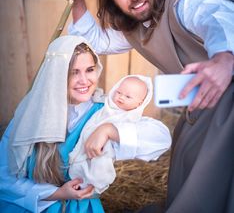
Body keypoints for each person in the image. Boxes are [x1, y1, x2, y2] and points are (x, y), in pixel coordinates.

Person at [64, 0, 234, 213]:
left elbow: (217, 18)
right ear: (113, 1)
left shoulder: (185, 0)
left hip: (228, 92)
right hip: (204, 100)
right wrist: (78, 2)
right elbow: (98, 41)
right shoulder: (135, 27)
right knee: (186, 153)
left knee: (209, 173)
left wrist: (224, 59)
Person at [0, 35, 171, 213]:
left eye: (89, 69)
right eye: (74, 72)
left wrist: (109, 130)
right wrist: (57, 193)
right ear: (56, 74)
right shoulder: (29, 116)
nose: (84, 80)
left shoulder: (105, 113)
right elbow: (4, 177)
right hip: (28, 205)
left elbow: (161, 139)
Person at [69, 75, 155, 194]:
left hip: (104, 150)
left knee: (99, 165)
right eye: (119, 92)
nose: (121, 97)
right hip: (88, 139)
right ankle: (77, 179)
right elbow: (100, 101)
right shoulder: (108, 105)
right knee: (80, 161)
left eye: (128, 96)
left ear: (139, 104)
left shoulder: (131, 118)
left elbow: (127, 133)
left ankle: (90, 184)